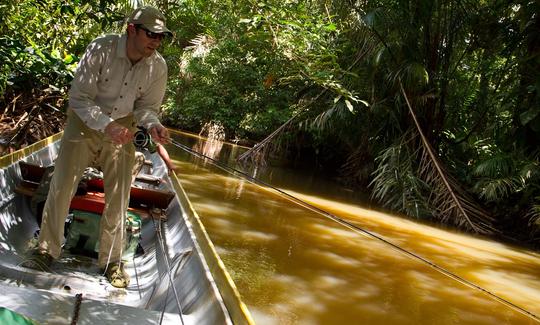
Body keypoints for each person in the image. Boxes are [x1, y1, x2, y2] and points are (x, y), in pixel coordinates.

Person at [22, 6, 173, 288]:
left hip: (124, 125)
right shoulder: (100, 49)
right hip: (84, 122)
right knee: (62, 185)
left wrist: (153, 126)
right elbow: (79, 98)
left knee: (119, 196)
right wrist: (106, 126)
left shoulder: (158, 66)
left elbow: (147, 108)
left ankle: (111, 262)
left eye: (161, 36)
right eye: (150, 33)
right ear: (131, 29)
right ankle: (46, 251)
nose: (156, 40)